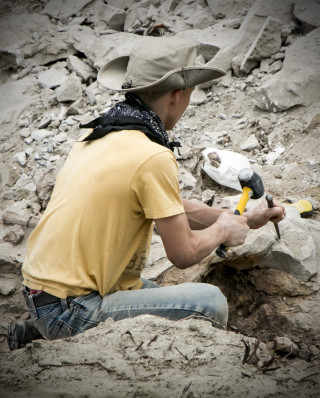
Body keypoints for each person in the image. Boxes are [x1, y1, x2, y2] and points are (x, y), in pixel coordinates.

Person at [7, 36, 285, 350]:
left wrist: (244, 218)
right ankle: (56, 332)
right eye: (190, 93)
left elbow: (167, 206)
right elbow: (183, 255)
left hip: (42, 294)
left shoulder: (101, 131)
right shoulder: (153, 156)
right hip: (71, 306)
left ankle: (35, 332)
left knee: (151, 289)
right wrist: (222, 230)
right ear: (177, 95)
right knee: (208, 303)